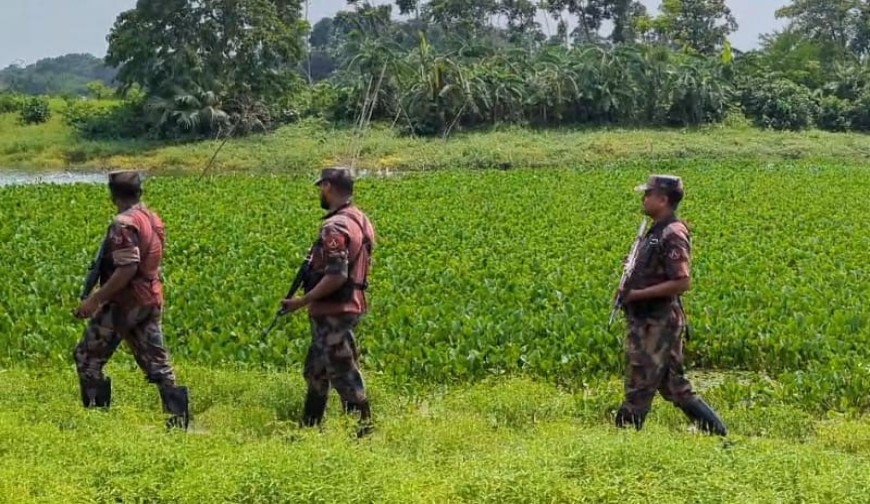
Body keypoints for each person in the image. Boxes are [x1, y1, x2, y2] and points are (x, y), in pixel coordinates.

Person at [73, 170, 190, 429]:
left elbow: (127, 268)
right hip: (150, 298)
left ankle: (95, 421)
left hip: (124, 303)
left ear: (112, 195)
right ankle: (179, 425)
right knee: (158, 365)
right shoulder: (152, 218)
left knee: (86, 357)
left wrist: (95, 299)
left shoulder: (123, 224)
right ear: (140, 192)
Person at [615, 174, 727, 436]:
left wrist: (637, 294)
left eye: (648, 194)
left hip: (658, 323)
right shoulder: (655, 231)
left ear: (663, 199)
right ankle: (719, 436)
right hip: (648, 320)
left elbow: (682, 281)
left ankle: (621, 441)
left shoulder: (672, 232)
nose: (644, 199)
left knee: (639, 386)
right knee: (674, 387)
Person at [281, 167, 376, 436]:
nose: (320, 193)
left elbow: (337, 274)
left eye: (321, 187)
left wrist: (302, 301)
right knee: (316, 372)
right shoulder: (360, 219)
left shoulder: (335, 226)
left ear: (328, 187)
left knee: (345, 375)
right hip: (346, 306)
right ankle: (309, 431)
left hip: (334, 312)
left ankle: (363, 437)